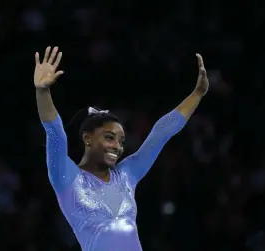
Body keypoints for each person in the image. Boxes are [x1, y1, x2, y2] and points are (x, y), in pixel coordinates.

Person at [34, 46, 209, 251]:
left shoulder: (126, 175)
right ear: (87, 139)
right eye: (109, 137)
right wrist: (42, 91)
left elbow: (161, 133)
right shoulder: (67, 178)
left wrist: (197, 94)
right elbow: (55, 133)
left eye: (121, 140)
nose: (117, 146)